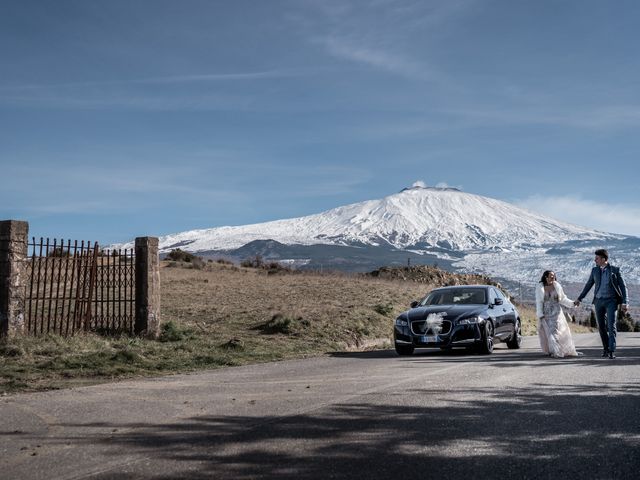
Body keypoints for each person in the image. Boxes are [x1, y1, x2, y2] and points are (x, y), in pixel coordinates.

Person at [574, 249, 628, 359]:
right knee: (602, 327)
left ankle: (612, 350)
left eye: (597, 258)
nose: (595, 260)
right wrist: (580, 298)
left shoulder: (615, 270)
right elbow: (588, 285)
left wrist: (625, 302)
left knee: (611, 325)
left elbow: (623, 287)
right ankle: (606, 349)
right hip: (598, 301)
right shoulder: (595, 270)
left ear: (604, 259)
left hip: (611, 301)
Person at [535, 270, 579, 358]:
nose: (553, 278)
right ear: (546, 277)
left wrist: (573, 303)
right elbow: (539, 302)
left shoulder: (557, 286)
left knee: (556, 331)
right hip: (546, 313)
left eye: (554, 276)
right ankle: (554, 350)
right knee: (550, 332)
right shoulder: (540, 287)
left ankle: (557, 351)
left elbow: (563, 299)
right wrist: (540, 314)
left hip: (557, 313)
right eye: (551, 276)